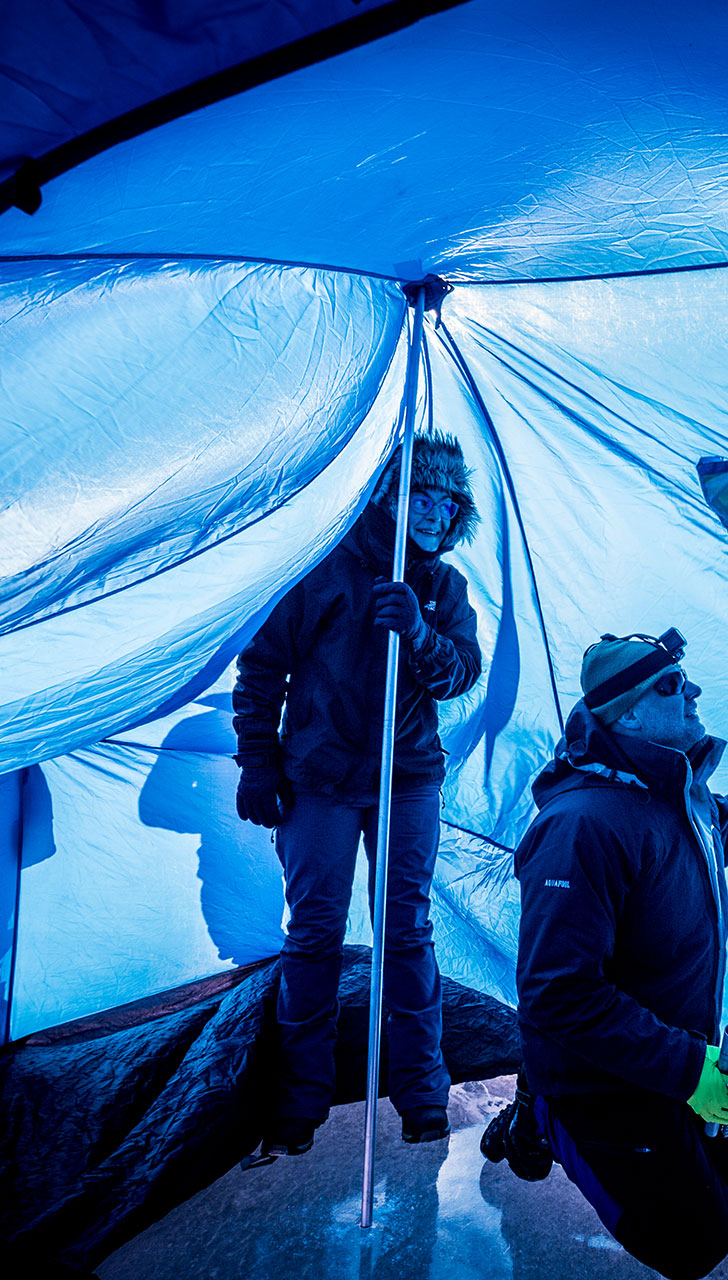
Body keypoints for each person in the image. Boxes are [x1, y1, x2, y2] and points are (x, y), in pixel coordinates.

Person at [495, 628, 728, 1280]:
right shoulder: (582, 826)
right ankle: (543, 1114)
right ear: (628, 713)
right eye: (670, 683)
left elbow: (724, 829)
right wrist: (691, 1070)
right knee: (693, 1246)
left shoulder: (672, 791)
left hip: (667, 1045)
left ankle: (649, 1122)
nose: (693, 689)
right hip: (596, 1077)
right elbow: (556, 993)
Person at [231, 431, 483, 1160]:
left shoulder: (443, 588)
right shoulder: (324, 569)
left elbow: (461, 673)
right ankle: (299, 1101)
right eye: (420, 496)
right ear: (387, 494)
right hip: (320, 782)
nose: (434, 513)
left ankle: (422, 1095)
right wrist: (258, 765)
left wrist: (423, 633)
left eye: (447, 502)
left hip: (408, 781)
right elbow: (262, 670)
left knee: (406, 933)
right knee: (313, 936)